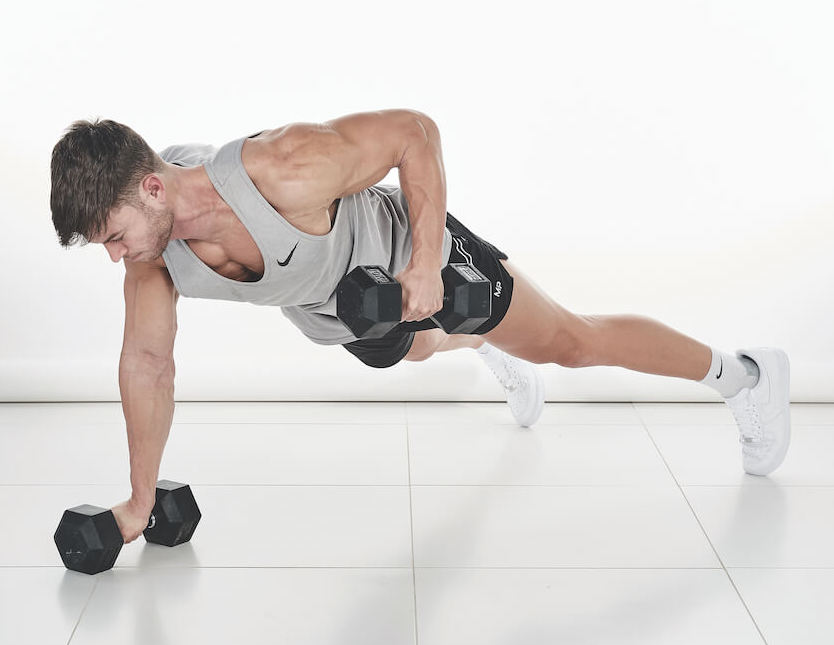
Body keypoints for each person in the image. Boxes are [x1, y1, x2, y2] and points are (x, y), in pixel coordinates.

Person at [49, 109, 791, 542]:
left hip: (406, 256)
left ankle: (745, 375)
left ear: (153, 187)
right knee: (418, 351)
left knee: (571, 341)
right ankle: (483, 344)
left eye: (113, 235)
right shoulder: (152, 258)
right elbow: (148, 364)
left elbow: (415, 132)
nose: (116, 257)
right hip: (346, 314)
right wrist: (139, 503)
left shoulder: (283, 167)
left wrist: (428, 263)